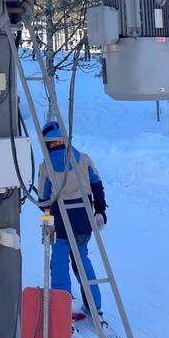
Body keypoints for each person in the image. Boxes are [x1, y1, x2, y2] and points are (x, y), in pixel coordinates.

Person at [37, 120, 108, 320]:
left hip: (60, 222)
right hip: (84, 220)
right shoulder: (83, 159)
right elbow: (97, 184)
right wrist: (100, 211)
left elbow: (43, 200)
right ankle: (94, 306)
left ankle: (61, 310)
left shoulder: (46, 167)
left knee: (59, 263)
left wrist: (45, 205)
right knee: (82, 259)